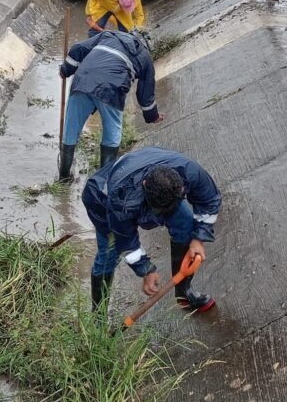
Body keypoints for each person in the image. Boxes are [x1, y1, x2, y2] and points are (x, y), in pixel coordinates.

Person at [81, 147, 222, 314]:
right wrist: (146, 270)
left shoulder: (188, 171)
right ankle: (98, 316)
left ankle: (183, 293)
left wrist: (199, 238)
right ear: (145, 185)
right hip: (101, 200)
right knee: (109, 254)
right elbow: (126, 242)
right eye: (158, 211)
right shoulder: (121, 201)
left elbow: (210, 201)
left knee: (185, 224)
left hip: (157, 186)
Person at [58, 30, 162, 181]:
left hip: (82, 81)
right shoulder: (145, 57)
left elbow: (77, 49)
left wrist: (65, 70)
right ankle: (103, 180)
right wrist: (153, 116)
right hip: (112, 89)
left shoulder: (109, 35)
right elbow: (145, 94)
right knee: (112, 136)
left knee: (70, 130)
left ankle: (63, 177)